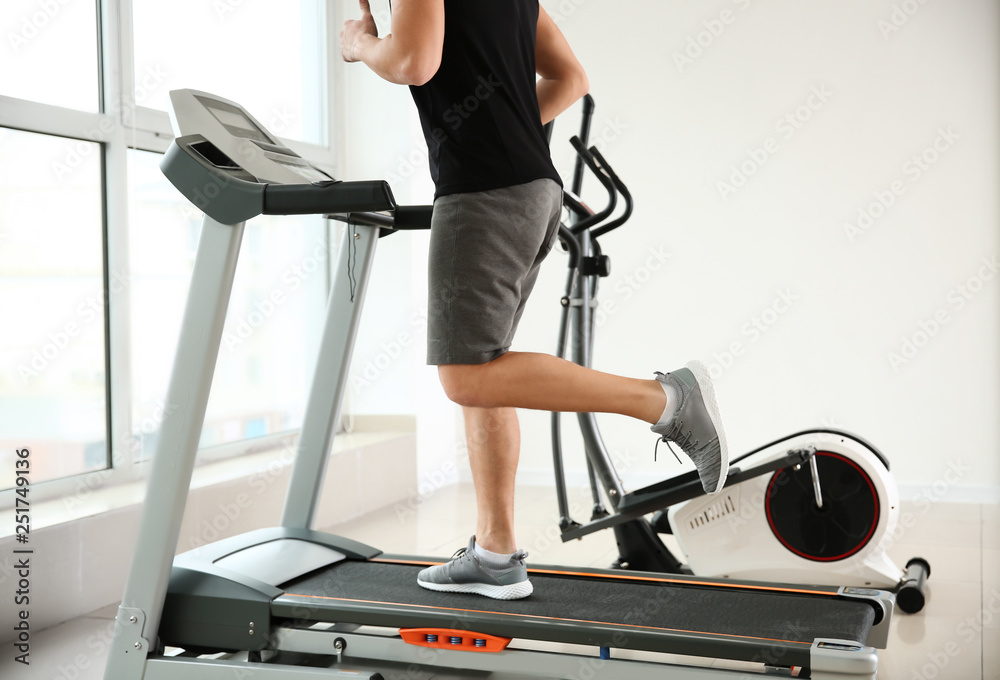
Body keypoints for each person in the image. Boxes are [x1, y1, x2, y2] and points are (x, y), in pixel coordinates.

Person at [341, 0, 728, 600]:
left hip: (482, 194)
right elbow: (571, 77)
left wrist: (362, 43)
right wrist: (510, 132)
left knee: (465, 378)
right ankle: (495, 555)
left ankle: (667, 400)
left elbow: (414, 61)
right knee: (488, 368)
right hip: (532, 187)